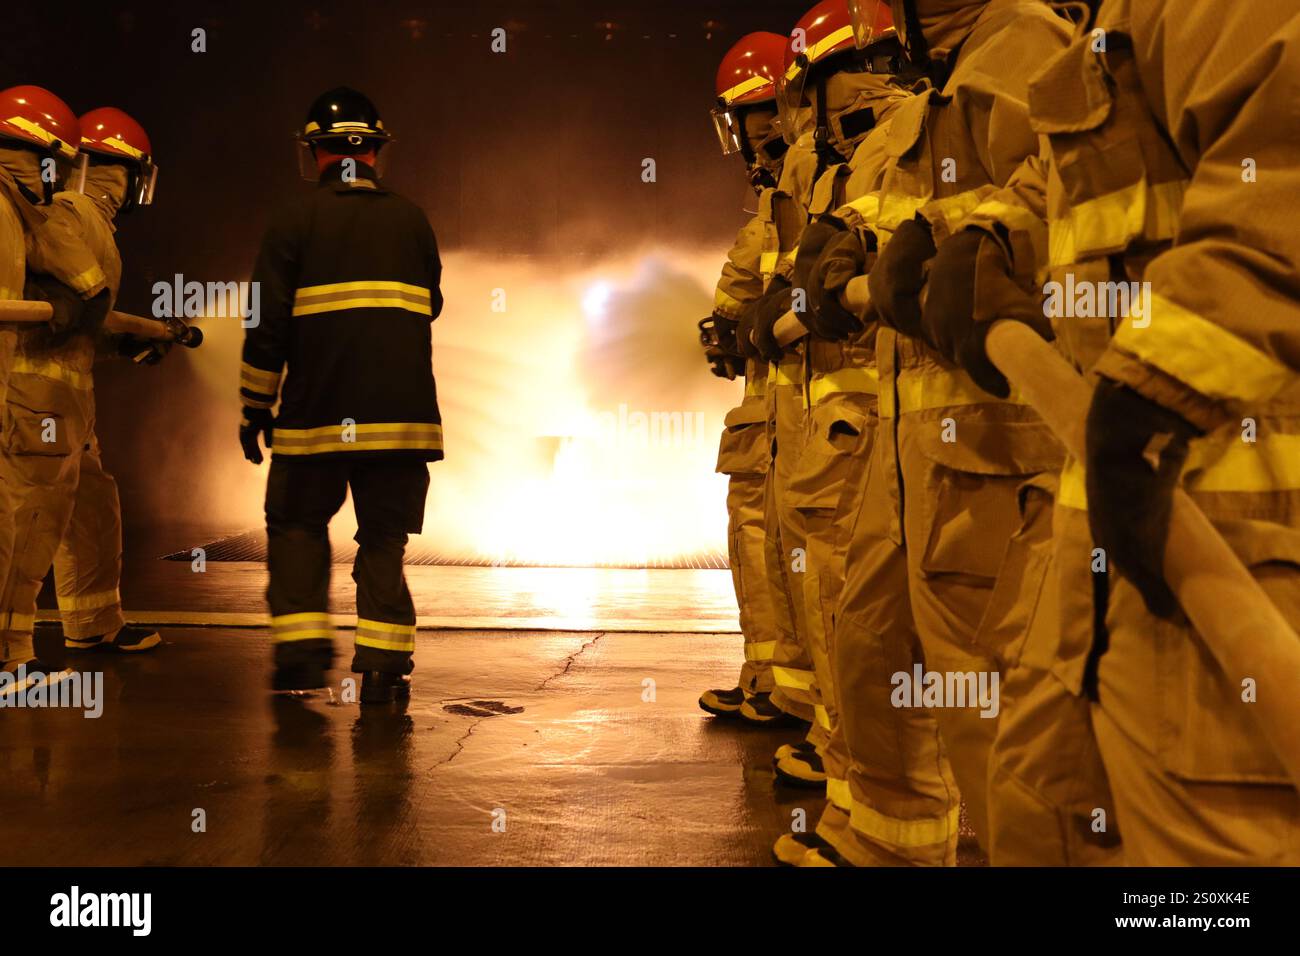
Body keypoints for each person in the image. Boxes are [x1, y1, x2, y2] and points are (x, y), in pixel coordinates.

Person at [240, 86, 444, 704]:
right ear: (376, 151)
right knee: (384, 538)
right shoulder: (411, 219)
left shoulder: (291, 221)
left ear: (315, 153)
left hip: (316, 420)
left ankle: (302, 659)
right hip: (403, 424)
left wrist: (255, 406)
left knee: (298, 524)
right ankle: (383, 664)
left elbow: (266, 323)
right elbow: (429, 304)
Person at [697, 30, 797, 721]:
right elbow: (739, 294)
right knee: (756, 542)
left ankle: (799, 695)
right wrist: (726, 328)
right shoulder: (772, 204)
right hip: (765, 416)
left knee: (794, 554)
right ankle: (768, 682)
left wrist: (748, 322)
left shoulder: (811, 190)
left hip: (807, 414)